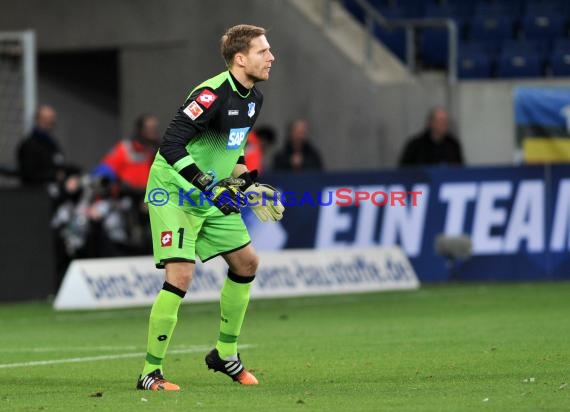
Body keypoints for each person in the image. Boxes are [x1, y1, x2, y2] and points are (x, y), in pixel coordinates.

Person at [137, 24, 284, 391]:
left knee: (248, 262)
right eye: (262, 51)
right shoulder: (210, 94)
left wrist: (248, 183)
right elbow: (171, 147)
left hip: (211, 191)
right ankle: (149, 373)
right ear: (240, 58)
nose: (271, 57)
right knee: (181, 275)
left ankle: (225, 354)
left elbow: (229, 154)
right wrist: (208, 186)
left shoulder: (253, 99)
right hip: (175, 191)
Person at [399, 107, 464, 166]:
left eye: (445, 121)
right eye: (440, 121)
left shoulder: (453, 144)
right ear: (430, 123)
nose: (443, 125)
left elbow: (460, 168)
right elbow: (404, 169)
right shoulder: (416, 145)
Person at [17, 105, 65, 184]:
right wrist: (54, 175)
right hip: (36, 192)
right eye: (46, 120)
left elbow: (59, 163)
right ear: (38, 120)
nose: (50, 123)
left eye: (51, 119)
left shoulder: (52, 144)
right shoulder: (29, 145)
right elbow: (29, 174)